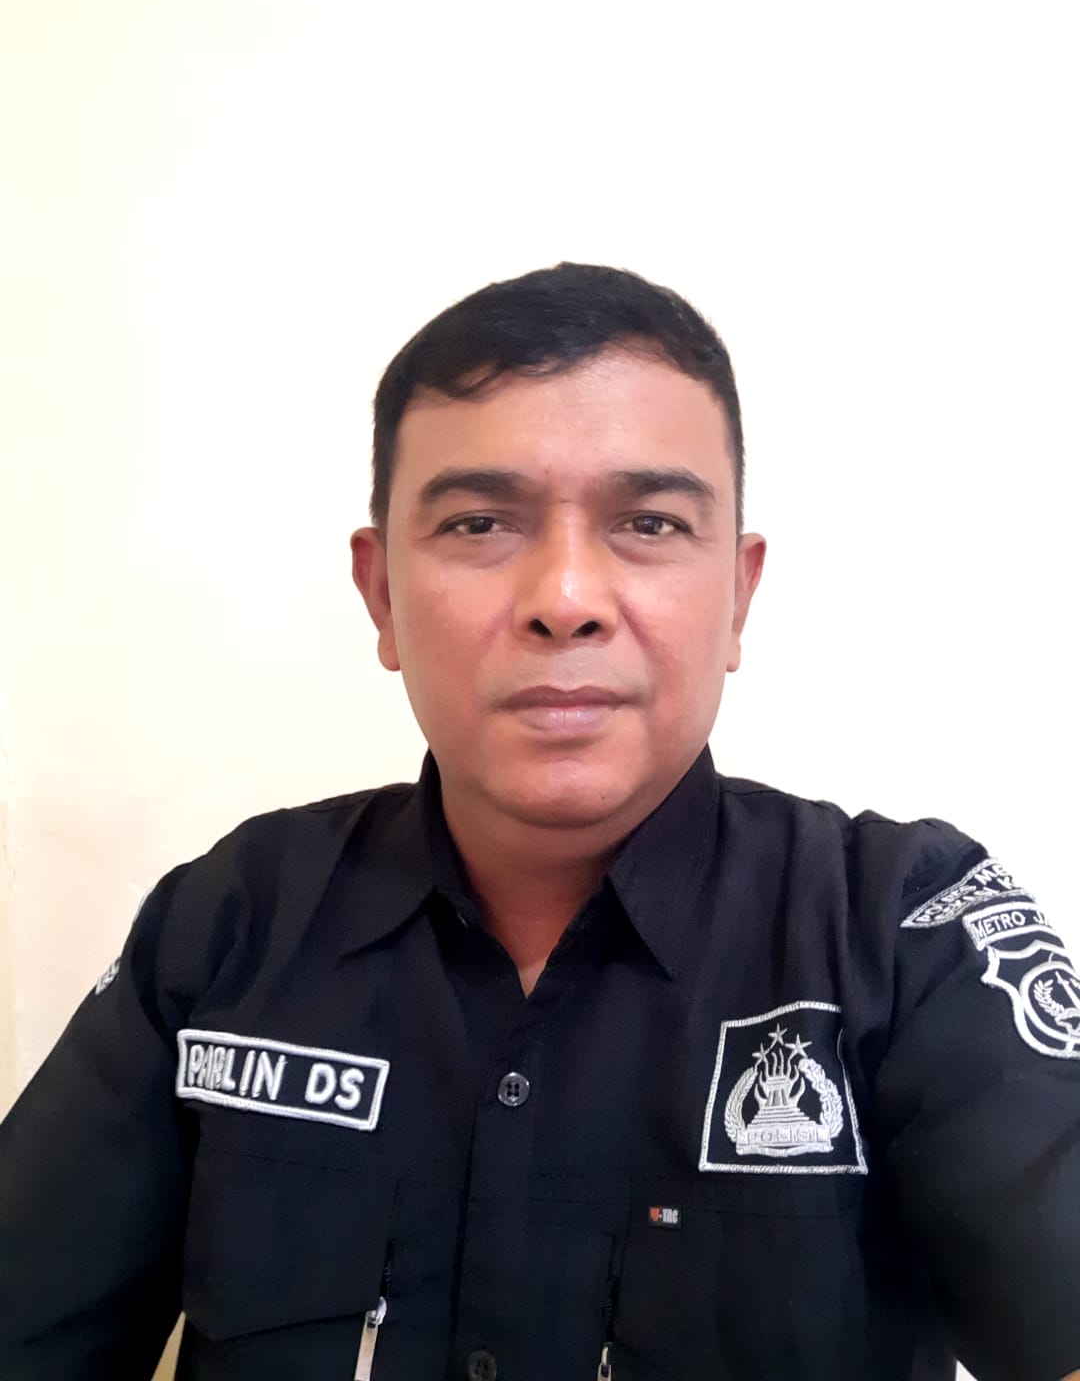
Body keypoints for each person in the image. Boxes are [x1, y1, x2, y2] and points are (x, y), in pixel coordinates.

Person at [1, 262, 1078, 1381]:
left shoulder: (905, 932)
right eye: (480, 522)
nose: (565, 599)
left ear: (738, 596)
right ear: (382, 595)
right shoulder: (227, 923)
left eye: (649, 522)